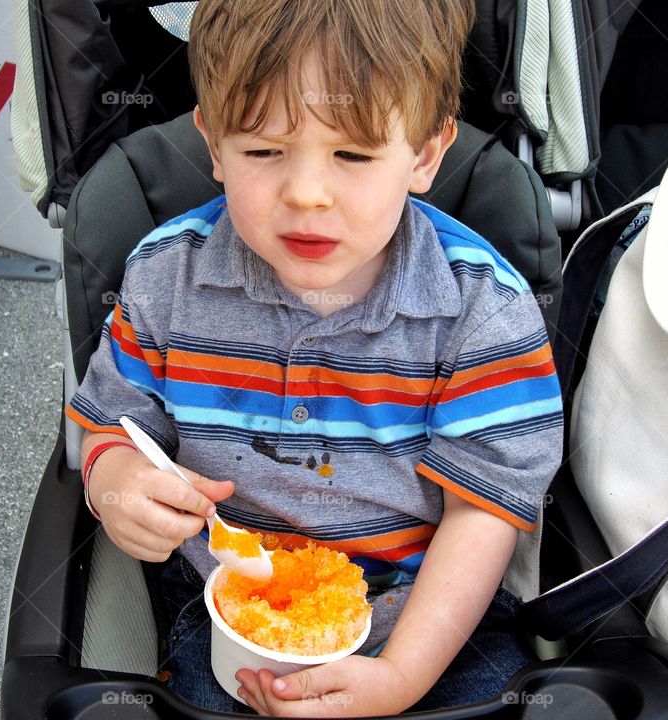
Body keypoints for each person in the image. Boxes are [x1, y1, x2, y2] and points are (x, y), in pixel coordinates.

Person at [66, 0, 563, 715]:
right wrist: (116, 483)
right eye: (263, 151)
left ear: (425, 153)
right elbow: (113, 423)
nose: (305, 194)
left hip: (428, 622)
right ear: (212, 144)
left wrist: (400, 677)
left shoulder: (480, 312)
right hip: (232, 615)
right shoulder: (165, 278)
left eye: (353, 155)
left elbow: (481, 514)